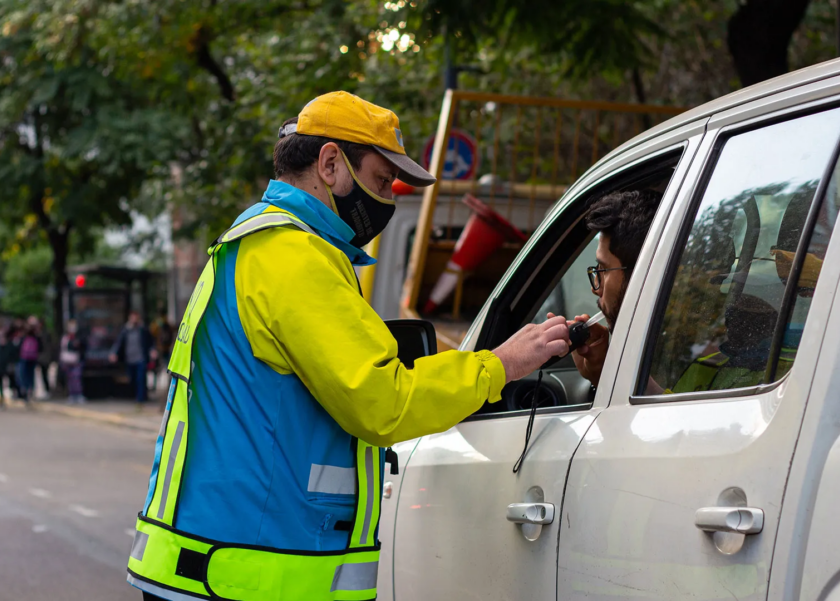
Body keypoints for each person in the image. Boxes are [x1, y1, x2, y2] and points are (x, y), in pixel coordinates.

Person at [125, 92, 569, 601]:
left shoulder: (260, 243)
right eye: (382, 181)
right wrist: (500, 364)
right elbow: (384, 401)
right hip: (243, 575)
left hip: (219, 561)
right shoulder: (293, 256)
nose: (389, 198)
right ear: (331, 163)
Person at [568, 190, 664, 393]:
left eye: (603, 269)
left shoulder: (674, 350)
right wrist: (603, 373)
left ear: (642, 274)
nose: (597, 289)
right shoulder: (662, 343)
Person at [109, 311, 155, 406]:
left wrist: (152, 350)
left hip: (140, 358)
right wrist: (113, 353)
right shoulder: (125, 330)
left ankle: (140, 399)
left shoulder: (143, 329)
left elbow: (150, 342)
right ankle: (137, 396)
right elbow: (119, 343)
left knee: (140, 378)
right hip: (130, 359)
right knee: (133, 378)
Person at [16, 317, 42, 406]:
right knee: (24, 376)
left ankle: (29, 392)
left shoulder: (35, 335)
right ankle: (26, 392)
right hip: (25, 358)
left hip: (31, 358)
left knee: (29, 376)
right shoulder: (25, 334)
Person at [60, 319, 87, 404]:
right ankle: (72, 395)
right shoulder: (65, 337)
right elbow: (63, 349)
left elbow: (83, 346)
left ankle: (78, 395)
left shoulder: (79, 336)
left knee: (76, 378)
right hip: (67, 361)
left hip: (77, 360)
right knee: (70, 379)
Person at [35, 318, 55, 399]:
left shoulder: (44, 334)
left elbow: (47, 347)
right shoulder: (38, 334)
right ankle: (45, 390)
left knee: (45, 374)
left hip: (44, 357)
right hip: (41, 357)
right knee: (42, 375)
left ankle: (48, 390)